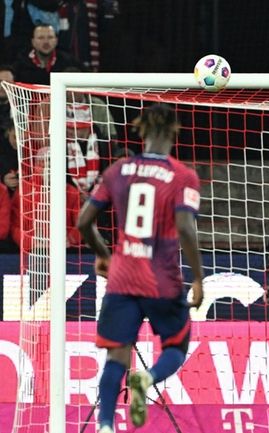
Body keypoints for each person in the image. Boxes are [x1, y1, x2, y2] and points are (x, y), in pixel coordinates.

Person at [76, 104, 204, 433]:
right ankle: (147, 378)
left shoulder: (118, 170)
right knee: (175, 346)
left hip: (122, 278)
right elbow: (186, 229)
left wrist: (104, 254)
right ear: (174, 132)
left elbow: (84, 221)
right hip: (162, 281)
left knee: (116, 356)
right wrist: (199, 278)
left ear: (140, 130)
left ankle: (105, 425)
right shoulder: (183, 175)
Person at [12, 24, 81, 85]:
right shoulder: (20, 64)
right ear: (33, 42)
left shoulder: (69, 62)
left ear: (56, 41)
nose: (46, 42)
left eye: (50, 37)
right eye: (41, 38)